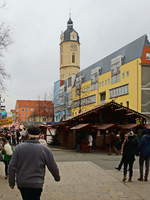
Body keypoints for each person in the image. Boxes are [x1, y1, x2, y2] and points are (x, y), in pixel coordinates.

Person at [8, 126, 60, 200]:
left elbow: (11, 166)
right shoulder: (45, 149)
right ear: (39, 135)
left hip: (23, 183)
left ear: (28, 134)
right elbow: (52, 166)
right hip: (37, 183)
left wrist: (11, 182)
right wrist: (57, 177)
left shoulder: (18, 148)